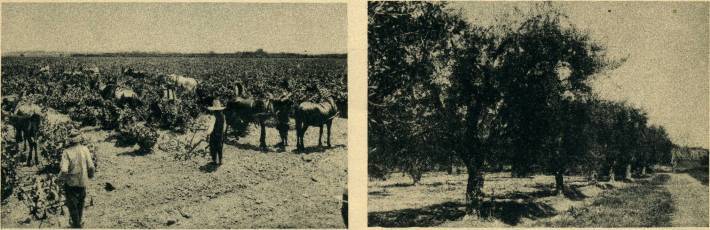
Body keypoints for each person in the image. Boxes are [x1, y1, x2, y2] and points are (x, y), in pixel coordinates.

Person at [59, 129, 95, 228]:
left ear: (70, 140)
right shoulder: (85, 149)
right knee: (80, 203)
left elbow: (64, 170)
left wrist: (60, 179)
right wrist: (90, 176)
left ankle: (76, 225)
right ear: (79, 139)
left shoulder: (66, 152)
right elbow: (91, 166)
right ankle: (78, 222)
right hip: (83, 182)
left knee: (72, 206)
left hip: (71, 183)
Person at [206, 99, 227, 165]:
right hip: (220, 134)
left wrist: (207, 134)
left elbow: (211, 127)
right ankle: (220, 160)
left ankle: (214, 160)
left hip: (214, 134)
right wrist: (223, 132)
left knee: (213, 147)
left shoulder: (213, 116)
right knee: (220, 146)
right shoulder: (223, 116)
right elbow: (224, 125)